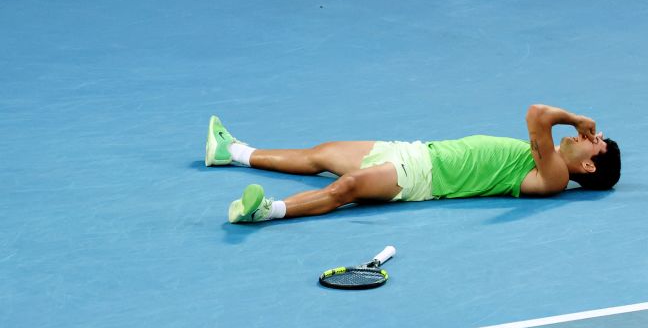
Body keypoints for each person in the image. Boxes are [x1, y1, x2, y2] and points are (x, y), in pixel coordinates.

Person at [205, 104, 621, 223]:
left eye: (594, 143)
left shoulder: (552, 176)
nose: (589, 136)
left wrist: (575, 119)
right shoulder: (549, 162)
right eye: (594, 133)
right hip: (416, 152)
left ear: (586, 169)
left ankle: (265, 212)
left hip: (420, 177)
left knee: (344, 188)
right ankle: (233, 152)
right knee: (320, 154)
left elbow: (536, 114)